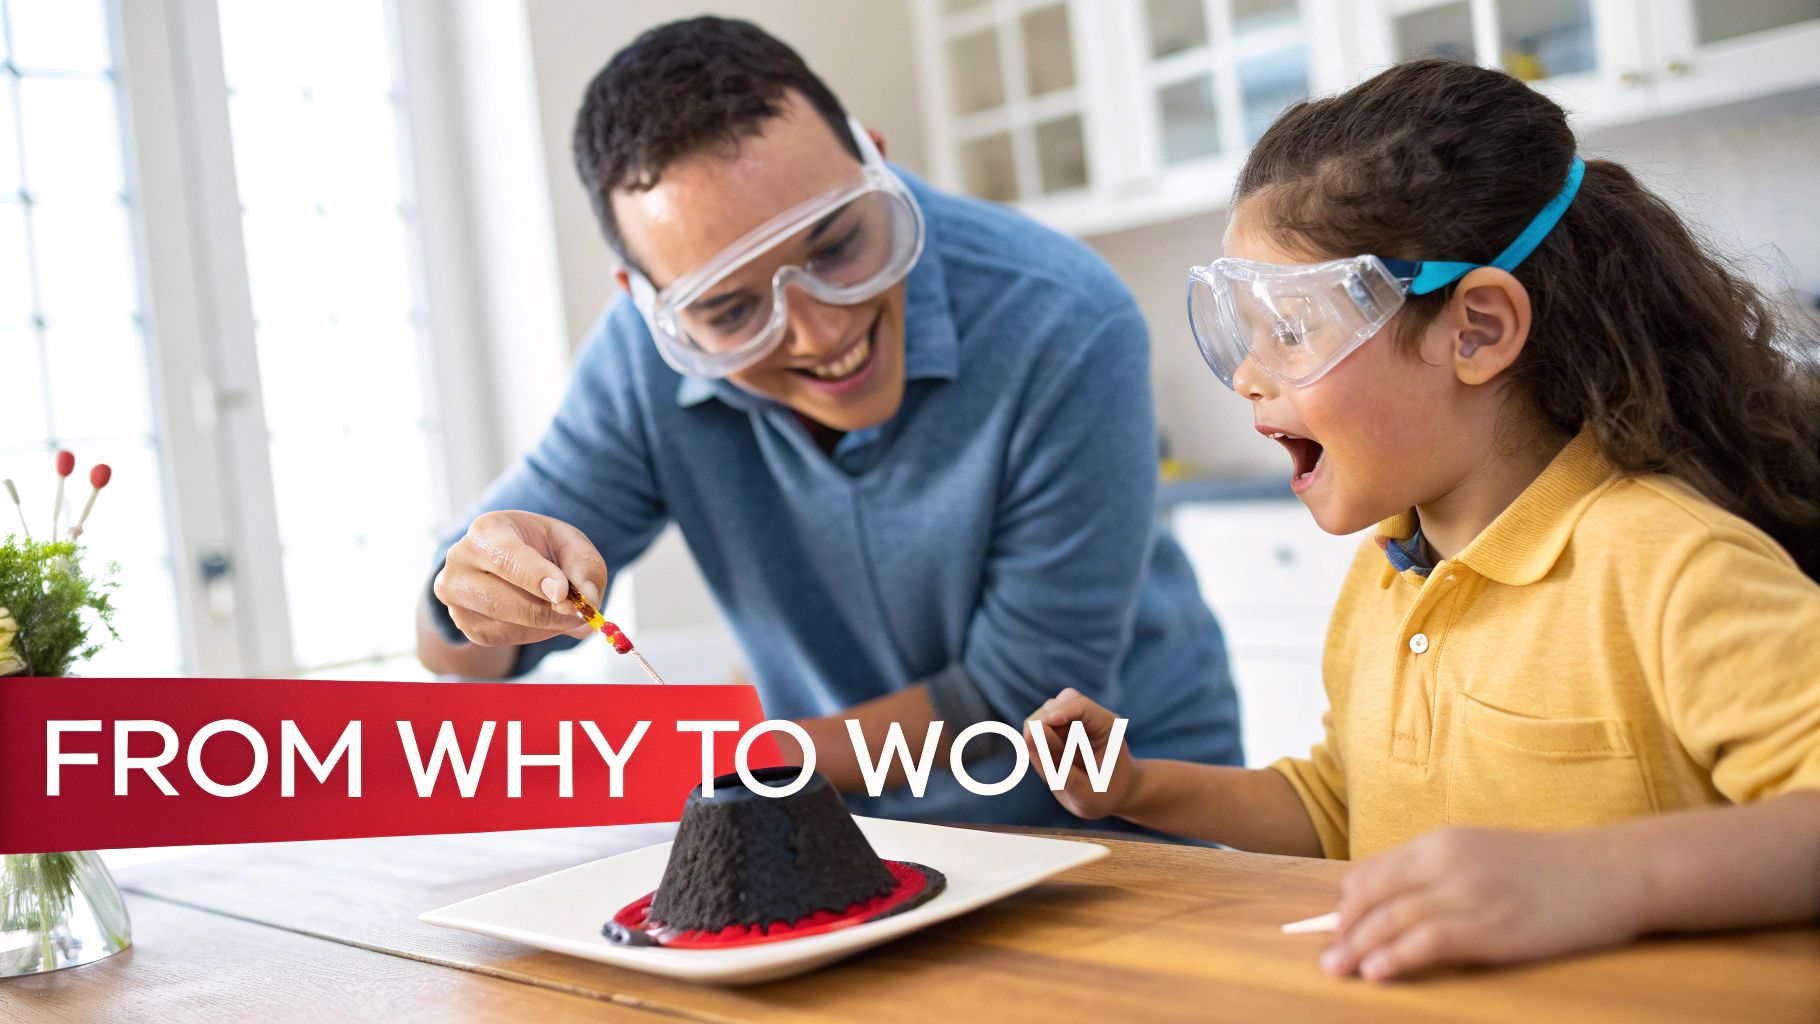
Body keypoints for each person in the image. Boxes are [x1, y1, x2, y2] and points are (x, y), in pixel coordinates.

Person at [1029, 59, 1820, 978]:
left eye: (1290, 328)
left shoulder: (1668, 562)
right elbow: (1337, 809)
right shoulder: (1390, 570)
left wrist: (1596, 876)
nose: (1248, 374)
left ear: (1476, 329)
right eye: (1242, 332)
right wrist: (1138, 787)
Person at [415, 17, 1242, 827]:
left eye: (839, 246)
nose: (822, 332)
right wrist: (474, 602)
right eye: (734, 307)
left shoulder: (1065, 320)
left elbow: (1015, 700)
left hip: (1128, 825)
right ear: (648, 305)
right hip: (848, 832)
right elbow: (458, 650)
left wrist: (722, 761)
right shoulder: (638, 366)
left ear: (874, 159)